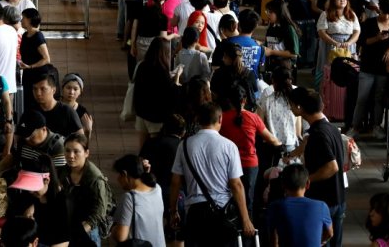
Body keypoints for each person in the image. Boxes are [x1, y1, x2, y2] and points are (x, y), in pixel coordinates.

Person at [170, 102, 256, 246]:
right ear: (220, 119)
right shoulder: (229, 146)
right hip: (222, 213)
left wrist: (173, 211)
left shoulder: (184, 145)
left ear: (197, 119)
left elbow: (175, 182)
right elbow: (236, 185)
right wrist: (246, 219)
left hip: (195, 212)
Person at [287, 87, 346, 247]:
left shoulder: (319, 134)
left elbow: (332, 167)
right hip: (338, 196)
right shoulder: (330, 128)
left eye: (291, 105)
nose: (291, 108)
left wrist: (306, 180)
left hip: (325, 200)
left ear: (300, 107)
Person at [218, 85, 282, 214]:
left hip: (226, 164)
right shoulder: (253, 117)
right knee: (248, 201)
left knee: (227, 198)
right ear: (244, 100)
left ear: (228, 101)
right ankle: (248, 227)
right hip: (249, 165)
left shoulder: (221, 118)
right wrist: (280, 143)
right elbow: (272, 140)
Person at [350, 0, 389, 139]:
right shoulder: (369, 23)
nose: (387, 16)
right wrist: (377, 38)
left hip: (385, 69)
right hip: (368, 67)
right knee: (362, 98)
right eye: (384, 13)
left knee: (379, 98)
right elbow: (362, 43)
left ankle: (376, 126)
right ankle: (355, 127)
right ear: (378, 9)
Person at [59, 133, 115, 247]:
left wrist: (83, 230)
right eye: (67, 150)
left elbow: (100, 211)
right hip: (70, 222)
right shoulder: (64, 170)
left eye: (76, 151)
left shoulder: (95, 178)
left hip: (89, 228)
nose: (70, 155)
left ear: (86, 153)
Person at [267, 164, 333, 247]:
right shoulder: (321, 206)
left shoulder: (275, 207)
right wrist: (320, 243)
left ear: (283, 185)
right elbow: (330, 233)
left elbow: (273, 239)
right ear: (308, 184)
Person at [112, 154, 166, 247]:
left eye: (119, 176)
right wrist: (145, 173)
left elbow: (121, 236)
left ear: (124, 174)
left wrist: (113, 229)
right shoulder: (157, 189)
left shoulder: (130, 198)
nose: (118, 180)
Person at [31, 73, 83, 138]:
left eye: (43, 89)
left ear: (54, 90)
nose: (38, 93)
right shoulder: (31, 111)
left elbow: (81, 140)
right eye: (35, 89)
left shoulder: (67, 111)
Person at [20, 8, 51, 99]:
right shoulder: (25, 35)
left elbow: (46, 59)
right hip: (28, 74)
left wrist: (31, 66)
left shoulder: (38, 37)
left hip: (38, 76)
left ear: (29, 20)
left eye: (23, 18)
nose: (21, 20)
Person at [60, 73, 93, 142]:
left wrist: (88, 130)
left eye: (75, 89)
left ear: (80, 92)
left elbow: (84, 143)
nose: (71, 92)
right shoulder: (53, 105)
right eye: (68, 88)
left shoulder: (83, 113)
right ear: (62, 88)